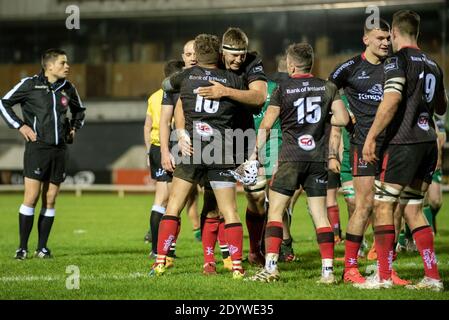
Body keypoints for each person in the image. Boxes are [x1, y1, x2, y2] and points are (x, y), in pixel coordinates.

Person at [249, 43, 349, 283]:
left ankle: (271, 268)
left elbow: (266, 124)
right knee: (319, 214)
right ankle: (328, 272)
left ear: (291, 65)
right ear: (311, 64)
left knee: (275, 210)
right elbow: (343, 118)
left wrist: (254, 154)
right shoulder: (328, 87)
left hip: (290, 157)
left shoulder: (283, 89)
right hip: (317, 159)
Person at [360, 10, 446, 291]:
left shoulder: (397, 60)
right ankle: (432, 276)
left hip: (403, 142)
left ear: (395, 33)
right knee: (412, 209)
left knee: (383, 205)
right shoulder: (434, 64)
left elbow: (392, 99)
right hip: (427, 142)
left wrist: (371, 136)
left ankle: (383, 275)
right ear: (417, 33)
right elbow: (442, 106)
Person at [150, 33, 246, 279]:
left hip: (191, 149)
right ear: (220, 54)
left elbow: (166, 86)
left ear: (199, 54)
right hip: (222, 150)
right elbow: (250, 98)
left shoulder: (185, 77)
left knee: (174, 205)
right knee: (229, 211)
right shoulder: (232, 79)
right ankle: (236, 266)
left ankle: (160, 260)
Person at [328, 18, 410, 286]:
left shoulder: (396, 64)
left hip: (394, 145)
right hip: (363, 146)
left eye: (388, 38)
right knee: (363, 206)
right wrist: (342, 111)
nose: (385, 43)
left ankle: (385, 268)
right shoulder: (351, 66)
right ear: (366, 40)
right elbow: (328, 88)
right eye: (379, 38)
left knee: (392, 208)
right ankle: (350, 268)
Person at [0, 48, 85, 259]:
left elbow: (80, 111)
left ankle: (42, 248)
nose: (67, 66)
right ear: (49, 66)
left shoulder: (68, 87)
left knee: (51, 198)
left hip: (59, 150)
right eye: (63, 63)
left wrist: (74, 128)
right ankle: (22, 248)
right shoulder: (30, 84)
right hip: (37, 148)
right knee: (31, 196)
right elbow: (3, 103)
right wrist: (20, 126)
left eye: (67, 63)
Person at [157, 40, 202, 268]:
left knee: (216, 203)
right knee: (175, 201)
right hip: (180, 148)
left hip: (211, 148)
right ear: (182, 56)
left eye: (195, 53)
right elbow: (165, 121)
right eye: (187, 53)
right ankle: (166, 252)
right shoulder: (174, 83)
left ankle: (217, 256)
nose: (192, 57)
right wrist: (165, 151)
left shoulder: (211, 76)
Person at [144, 59, 184, 258]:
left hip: (156, 147)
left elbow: (147, 125)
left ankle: (161, 247)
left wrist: (148, 151)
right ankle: (160, 247)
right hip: (172, 146)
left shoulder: (153, 97)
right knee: (171, 199)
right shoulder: (177, 94)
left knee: (164, 199)